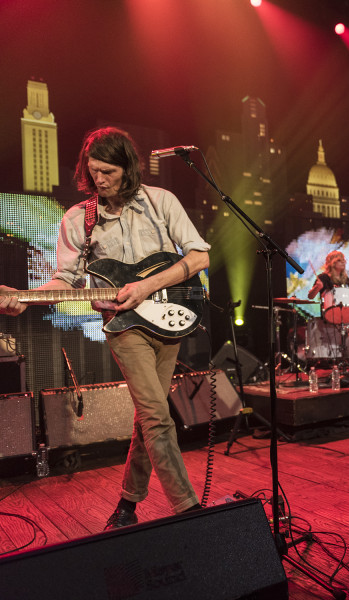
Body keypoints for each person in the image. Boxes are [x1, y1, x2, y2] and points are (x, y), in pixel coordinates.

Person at [0, 127, 210, 529]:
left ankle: (129, 502)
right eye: (93, 171)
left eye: (109, 171)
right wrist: (23, 298)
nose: (100, 179)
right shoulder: (80, 219)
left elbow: (199, 256)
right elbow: (66, 279)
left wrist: (147, 285)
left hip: (170, 319)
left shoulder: (160, 201)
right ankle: (190, 513)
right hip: (122, 326)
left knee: (148, 419)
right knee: (156, 414)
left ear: (128, 167)